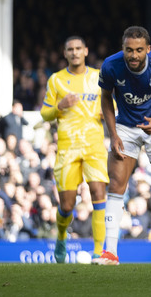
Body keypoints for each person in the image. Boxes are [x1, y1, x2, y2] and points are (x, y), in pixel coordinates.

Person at [98, 26, 151, 265]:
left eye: (138, 50)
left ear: (147, 49)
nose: (133, 55)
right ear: (122, 48)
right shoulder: (110, 66)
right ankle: (111, 253)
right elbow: (106, 98)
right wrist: (113, 133)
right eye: (128, 50)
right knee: (116, 183)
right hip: (125, 126)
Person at [40, 36, 108, 264]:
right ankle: (61, 236)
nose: (75, 52)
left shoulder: (99, 77)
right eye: (70, 49)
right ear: (65, 53)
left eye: (79, 48)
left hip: (94, 146)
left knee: (99, 193)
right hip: (67, 148)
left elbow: (113, 107)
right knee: (67, 205)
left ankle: (99, 252)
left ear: (86, 51)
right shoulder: (56, 80)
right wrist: (59, 106)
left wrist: (106, 114)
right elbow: (44, 113)